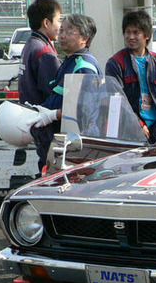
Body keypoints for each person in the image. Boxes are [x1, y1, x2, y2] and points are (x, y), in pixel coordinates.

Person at [27, 14, 101, 173]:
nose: (62, 36)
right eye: (61, 31)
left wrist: (53, 114)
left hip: (76, 143)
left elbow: (85, 111)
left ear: (84, 39)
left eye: (69, 32)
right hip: (60, 138)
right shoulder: (70, 60)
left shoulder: (84, 66)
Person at [106, 9, 156, 143]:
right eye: (128, 32)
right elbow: (117, 102)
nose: (131, 37)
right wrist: (138, 124)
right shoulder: (116, 63)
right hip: (129, 132)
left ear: (147, 35)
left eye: (136, 32)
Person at [18, 0, 62, 106]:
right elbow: (53, 94)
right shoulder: (44, 52)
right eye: (58, 20)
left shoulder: (30, 44)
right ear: (46, 22)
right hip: (43, 117)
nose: (60, 26)